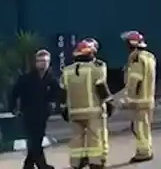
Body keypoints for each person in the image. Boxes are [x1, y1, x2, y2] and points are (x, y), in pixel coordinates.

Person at [58, 40, 113, 169]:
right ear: (91, 53)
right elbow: (101, 88)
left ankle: (76, 163)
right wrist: (109, 102)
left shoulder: (67, 71)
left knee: (77, 138)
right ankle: (95, 162)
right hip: (92, 111)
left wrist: (63, 108)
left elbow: (62, 92)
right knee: (94, 137)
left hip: (74, 112)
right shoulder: (95, 68)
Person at [9, 49, 61, 169]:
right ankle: (41, 165)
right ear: (36, 63)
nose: (43, 63)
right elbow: (14, 93)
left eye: (46, 61)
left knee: (36, 140)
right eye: (41, 61)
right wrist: (12, 108)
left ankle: (29, 165)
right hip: (28, 113)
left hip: (42, 114)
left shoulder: (50, 78)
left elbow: (57, 93)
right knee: (34, 140)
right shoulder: (26, 78)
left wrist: (53, 104)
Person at [121, 30, 156, 163]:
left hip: (139, 100)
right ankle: (147, 149)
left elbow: (135, 80)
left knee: (139, 128)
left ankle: (143, 153)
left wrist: (128, 98)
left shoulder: (136, 58)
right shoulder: (149, 56)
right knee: (145, 127)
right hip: (148, 98)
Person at [82, 38, 111, 164]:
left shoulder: (99, 65)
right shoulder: (78, 67)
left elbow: (101, 85)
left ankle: (102, 155)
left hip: (97, 103)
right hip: (84, 103)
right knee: (84, 133)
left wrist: (108, 101)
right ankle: (87, 157)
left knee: (99, 132)